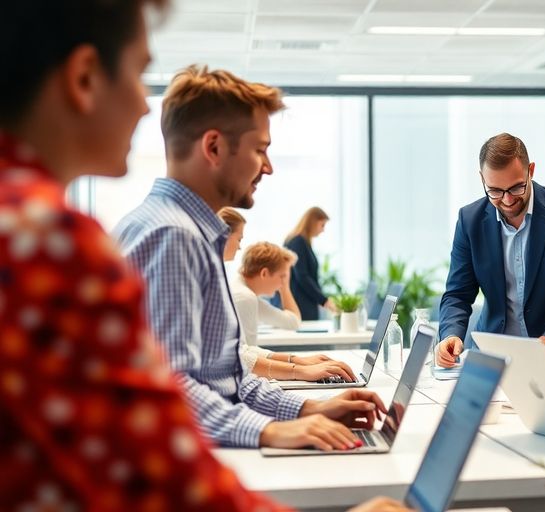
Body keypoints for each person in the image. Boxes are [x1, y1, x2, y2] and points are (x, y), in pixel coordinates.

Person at [0, 1, 408, 510]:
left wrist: (304, 406)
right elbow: (160, 451)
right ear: (84, 77)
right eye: (136, 73)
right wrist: (276, 428)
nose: (146, 107)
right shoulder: (51, 236)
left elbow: (219, 381)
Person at [115, 65, 386, 453]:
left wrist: (307, 409)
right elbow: (172, 386)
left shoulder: (186, 231)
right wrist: (269, 431)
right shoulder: (173, 237)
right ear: (213, 148)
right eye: (260, 150)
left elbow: (226, 377)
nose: (269, 167)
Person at [436, 133, 545, 369]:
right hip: (495, 360)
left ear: (530, 170)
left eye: (516, 188)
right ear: (482, 179)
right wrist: (451, 334)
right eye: (494, 191)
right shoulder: (469, 220)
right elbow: (458, 294)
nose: (507, 200)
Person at [232, 241, 354, 382]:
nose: (283, 283)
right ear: (264, 273)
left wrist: (296, 360)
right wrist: (299, 369)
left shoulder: (244, 291)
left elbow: (292, 322)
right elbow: (245, 359)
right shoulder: (243, 297)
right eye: (282, 277)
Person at [284, 206, 336, 320]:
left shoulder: (303, 243)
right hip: (300, 304)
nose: (323, 230)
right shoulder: (298, 242)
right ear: (312, 222)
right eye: (322, 225)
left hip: (303, 303)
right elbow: (302, 276)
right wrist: (324, 300)